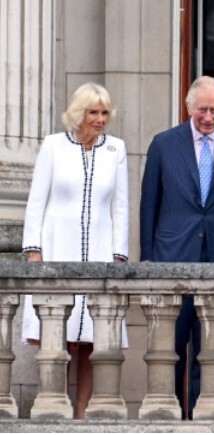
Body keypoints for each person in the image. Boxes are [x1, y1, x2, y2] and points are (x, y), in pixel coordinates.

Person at [139, 76, 214, 420]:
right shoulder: (164, 144)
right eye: (203, 109)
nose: (208, 117)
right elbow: (150, 204)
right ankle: (171, 417)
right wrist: (148, 257)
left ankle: (206, 418)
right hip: (172, 260)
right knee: (169, 350)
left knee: (212, 350)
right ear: (189, 108)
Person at [21, 82, 129, 419]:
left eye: (104, 113)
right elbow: (36, 202)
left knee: (91, 342)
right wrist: (34, 252)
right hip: (57, 250)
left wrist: (118, 257)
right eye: (93, 112)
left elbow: (120, 207)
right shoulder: (54, 146)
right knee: (59, 338)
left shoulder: (116, 149)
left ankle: (82, 415)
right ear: (78, 113)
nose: (99, 119)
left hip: (99, 252)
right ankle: (54, 408)